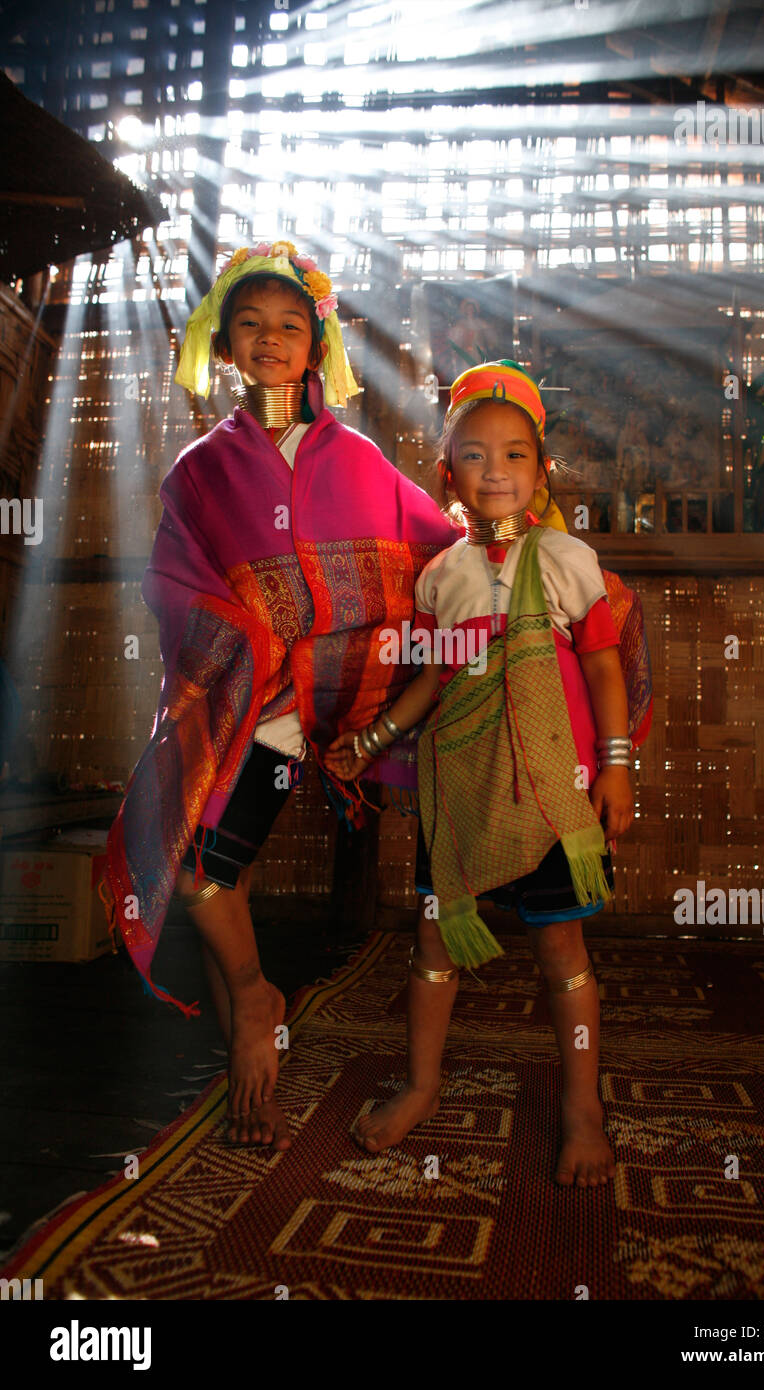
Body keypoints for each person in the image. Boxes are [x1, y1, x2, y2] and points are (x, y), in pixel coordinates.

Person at [97, 239, 455, 1151]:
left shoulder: (362, 459)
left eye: (290, 325)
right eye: (249, 324)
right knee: (212, 878)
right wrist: (250, 634)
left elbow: (432, 551)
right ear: (223, 345)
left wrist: (505, 554)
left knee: (220, 882)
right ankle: (250, 1023)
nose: (269, 338)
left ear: (316, 347)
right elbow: (175, 582)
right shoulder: (199, 471)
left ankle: (248, 1039)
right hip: (250, 709)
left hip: (335, 707)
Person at [325, 360, 653, 1187]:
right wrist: (367, 744)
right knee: (432, 943)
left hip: (552, 796)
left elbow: (607, 670)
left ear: (542, 474)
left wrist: (615, 769)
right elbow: (435, 681)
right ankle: (421, 1085)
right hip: (462, 790)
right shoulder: (443, 576)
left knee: (560, 951)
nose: (496, 471)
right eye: (475, 455)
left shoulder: (568, 558)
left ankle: (583, 1110)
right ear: (448, 475)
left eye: (515, 455)